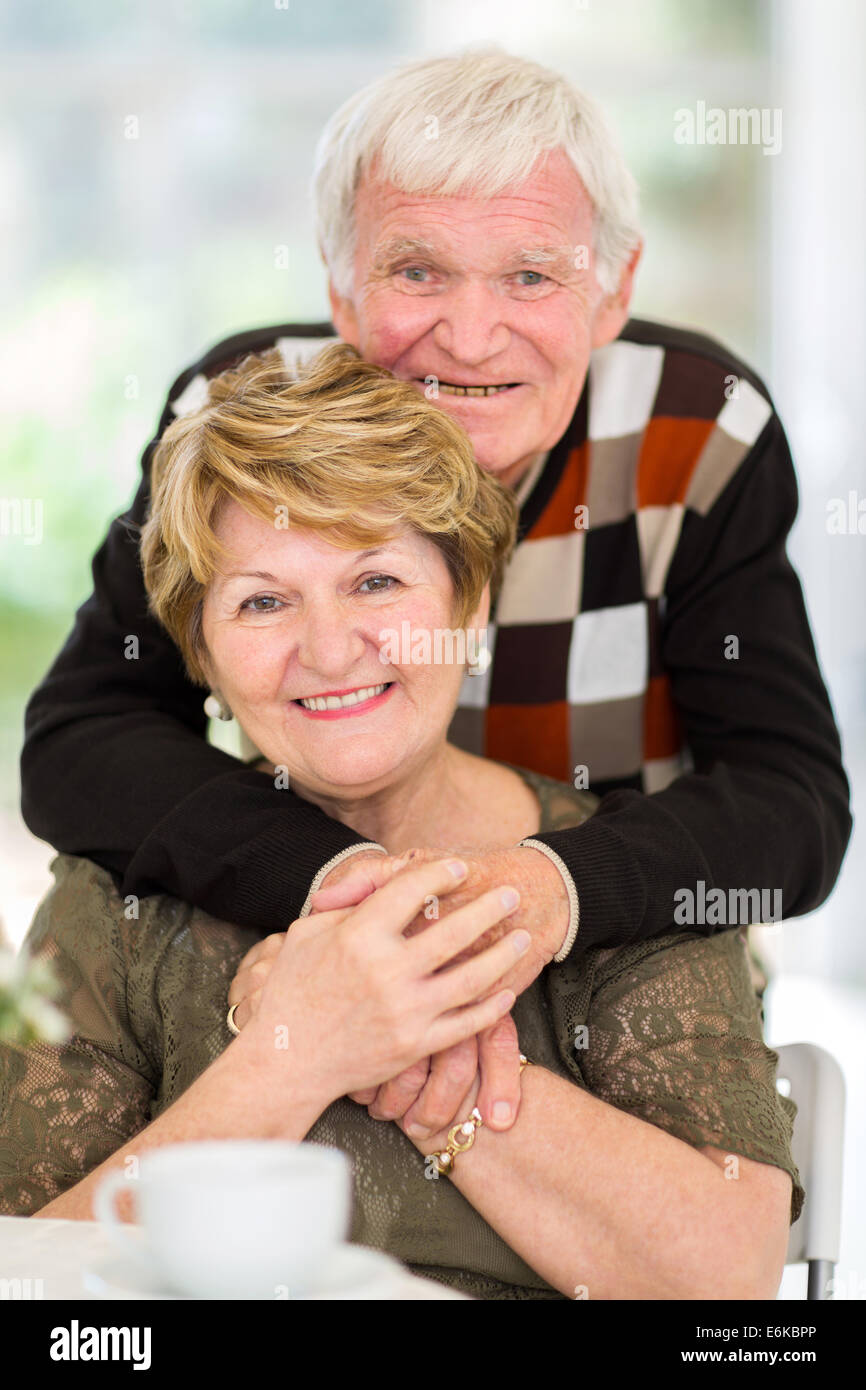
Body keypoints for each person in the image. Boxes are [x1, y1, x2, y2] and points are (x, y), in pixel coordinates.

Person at [19, 49, 851, 1141]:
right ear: (339, 287)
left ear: (614, 290)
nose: (468, 336)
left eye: (529, 275)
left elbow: (790, 804)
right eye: (416, 272)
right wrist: (361, 898)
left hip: (622, 971)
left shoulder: (697, 431)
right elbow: (83, 736)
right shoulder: (240, 421)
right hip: (315, 955)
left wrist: (536, 894)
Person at [1, 343, 802, 1300]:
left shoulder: (632, 880)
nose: (332, 649)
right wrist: (299, 1052)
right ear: (201, 655)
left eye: (377, 581)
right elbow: (31, 1279)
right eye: (263, 601)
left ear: (468, 607)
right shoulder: (116, 896)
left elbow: (728, 1283)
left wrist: (414, 1037)